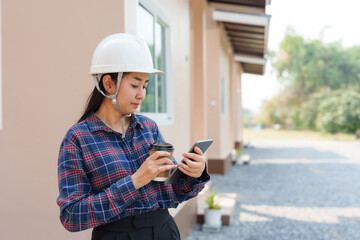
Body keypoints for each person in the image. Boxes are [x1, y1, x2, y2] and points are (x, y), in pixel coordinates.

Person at [56, 33, 210, 240]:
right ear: (109, 84)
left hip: (165, 232)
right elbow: (72, 216)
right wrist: (135, 181)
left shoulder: (149, 128)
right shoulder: (78, 139)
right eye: (135, 85)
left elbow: (172, 193)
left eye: (145, 86)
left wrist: (194, 173)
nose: (142, 94)